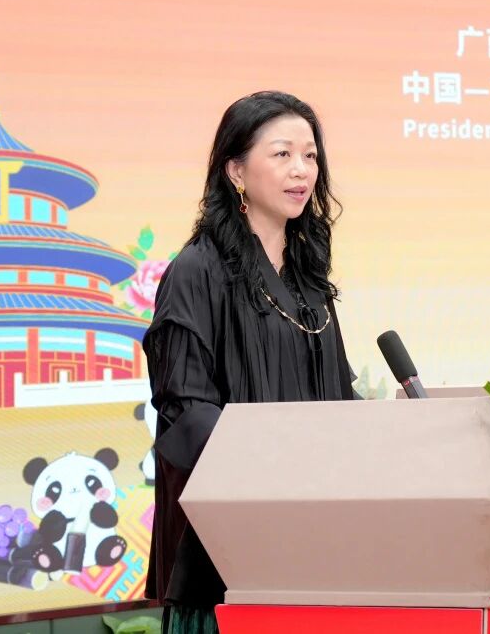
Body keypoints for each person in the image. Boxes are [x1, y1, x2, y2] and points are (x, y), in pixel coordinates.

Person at [143, 91, 356, 633]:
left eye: (310, 155)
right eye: (282, 154)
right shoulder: (196, 271)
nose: (302, 170)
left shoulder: (309, 277)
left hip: (316, 541)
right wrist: (279, 472)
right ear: (235, 171)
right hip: (230, 555)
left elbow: (338, 397)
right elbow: (187, 413)